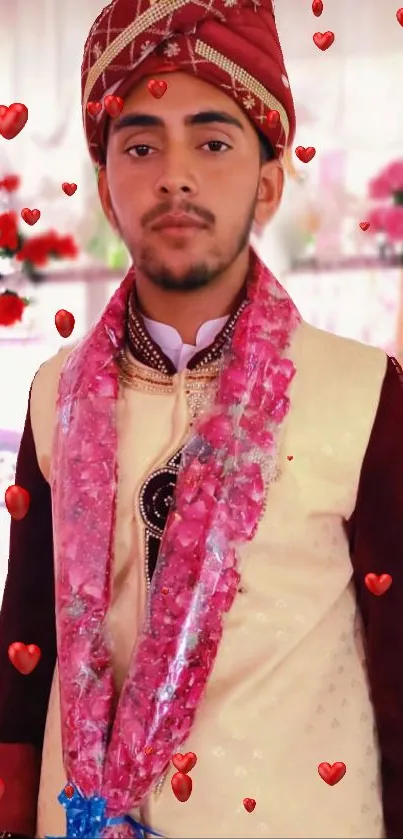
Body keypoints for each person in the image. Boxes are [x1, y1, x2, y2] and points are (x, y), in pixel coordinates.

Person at [0, 0, 403, 837]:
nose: (174, 175)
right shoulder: (52, 393)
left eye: (212, 142)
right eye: (140, 145)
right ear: (106, 181)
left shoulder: (366, 394)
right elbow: (25, 652)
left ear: (266, 179)